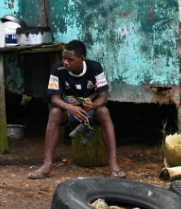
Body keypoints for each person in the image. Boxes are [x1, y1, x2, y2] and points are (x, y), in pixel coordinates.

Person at [28, 40, 125, 179]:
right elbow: (54, 99)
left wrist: (93, 105)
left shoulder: (95, 67)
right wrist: (70, 108)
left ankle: (114, 164)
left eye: (70, 59)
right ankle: (47, 165)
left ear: (82, 59)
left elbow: (103, 98)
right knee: (55, 113)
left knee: (104, 111)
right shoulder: (57, 69)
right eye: (64, 58)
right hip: (69, 112)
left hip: (91, 112)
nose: (65, 62)